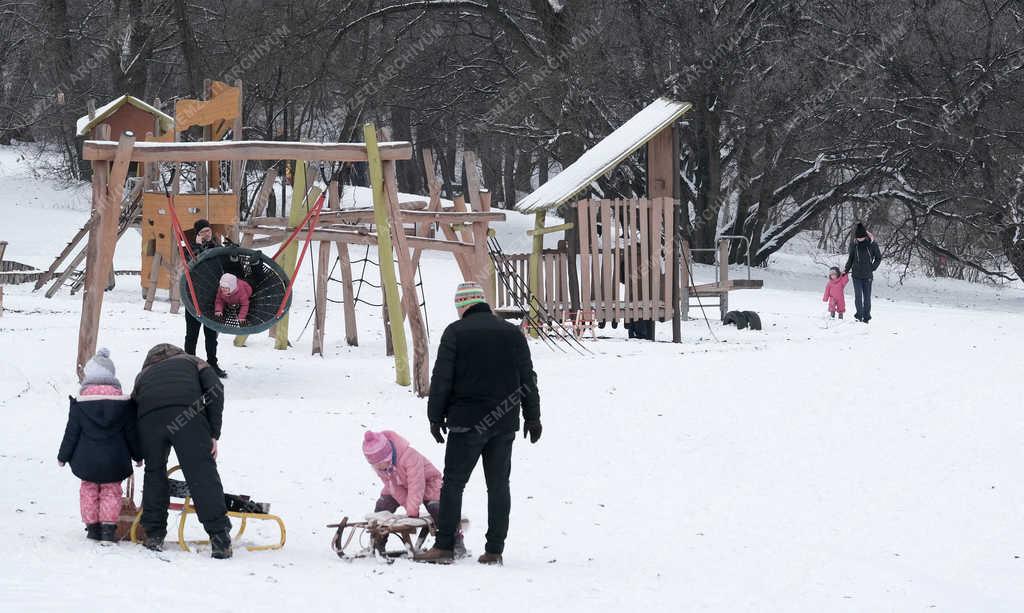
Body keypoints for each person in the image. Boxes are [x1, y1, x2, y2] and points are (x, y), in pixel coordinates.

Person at [415, 282, 541, 566]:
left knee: (454, 485)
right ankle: (494, 550)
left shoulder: (455, 333)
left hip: (466, 423)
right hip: (504, 422)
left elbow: (442, 379)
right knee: (498, 486)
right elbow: (527, 378)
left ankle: (445, 546)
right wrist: (533, 416)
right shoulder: (512, 333)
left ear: (462, 306)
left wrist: (435, 416)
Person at [132, 343, 232, 559]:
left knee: (154, 472)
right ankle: (219, 537)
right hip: (187, 413)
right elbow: (216, 389)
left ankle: (153, 534)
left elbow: (132, 409)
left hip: (151, 420)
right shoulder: (192, 361)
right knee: (200, 471)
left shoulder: (143, 375)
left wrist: (138, 450)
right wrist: (213, 432)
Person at [58, 348, 141, 542]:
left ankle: (92, 528)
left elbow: (71, 433)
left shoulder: (80, 404)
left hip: (86, 460)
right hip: (115, 460)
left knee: (88, 489)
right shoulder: (124, 404)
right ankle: (107, 530)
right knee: (111, 491)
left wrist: (63, 456)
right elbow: (131, 434)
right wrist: (138, 455)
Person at [362, 430, 463, 555]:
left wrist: (412, 512)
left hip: (428, 483)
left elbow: (417, 485)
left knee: (436, 508)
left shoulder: (410, 456)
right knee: (383, 505)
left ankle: (456, 541)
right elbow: (393, 487)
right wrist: (409, 509)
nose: (381, 468)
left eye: (383, 463)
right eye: (377, 466)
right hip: (401, 485)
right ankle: (377, 543)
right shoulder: (380, 467)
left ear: (389, 454)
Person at [184, 219, 227, 378]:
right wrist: (197, 246)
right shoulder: (190, 248)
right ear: (197, 234)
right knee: (192, 334)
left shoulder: (217, 247)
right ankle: (189, 364)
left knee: (211, 335)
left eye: (208, 231)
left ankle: (212, 363)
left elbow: (225, 261)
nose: (206, 234)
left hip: (212, 299)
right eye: (203, 232)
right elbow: (191, 260)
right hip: (194, 298)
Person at [844, 222, 883, 322]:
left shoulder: (872, 244)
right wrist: (845, 270)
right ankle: (859, 316)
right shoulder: (854, 244)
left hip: (867, 276)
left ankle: (866, 317)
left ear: (865, 236)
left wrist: (872, 268)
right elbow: (850, 259)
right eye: (858, 238)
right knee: (858, 296)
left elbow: (878, 258)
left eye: (861, 238)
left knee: (867, 297)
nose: (859, 239)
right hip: (856, 275)